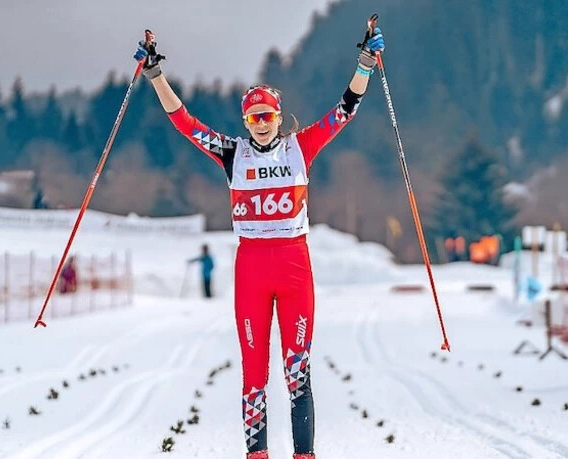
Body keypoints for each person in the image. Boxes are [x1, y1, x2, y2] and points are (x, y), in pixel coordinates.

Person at [135, 22, 384, 459]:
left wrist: (364, 63)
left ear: (277, 116)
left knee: (297, 373)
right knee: (254, 374)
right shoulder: (233, 153)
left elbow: (344, 110)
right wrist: (156, 75)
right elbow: (184, 123)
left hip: (293, 268)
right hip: (251, 269)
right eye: (254, 118)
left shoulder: (299, 148)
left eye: (268, 116)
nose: (263, 125)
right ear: (246, 122)